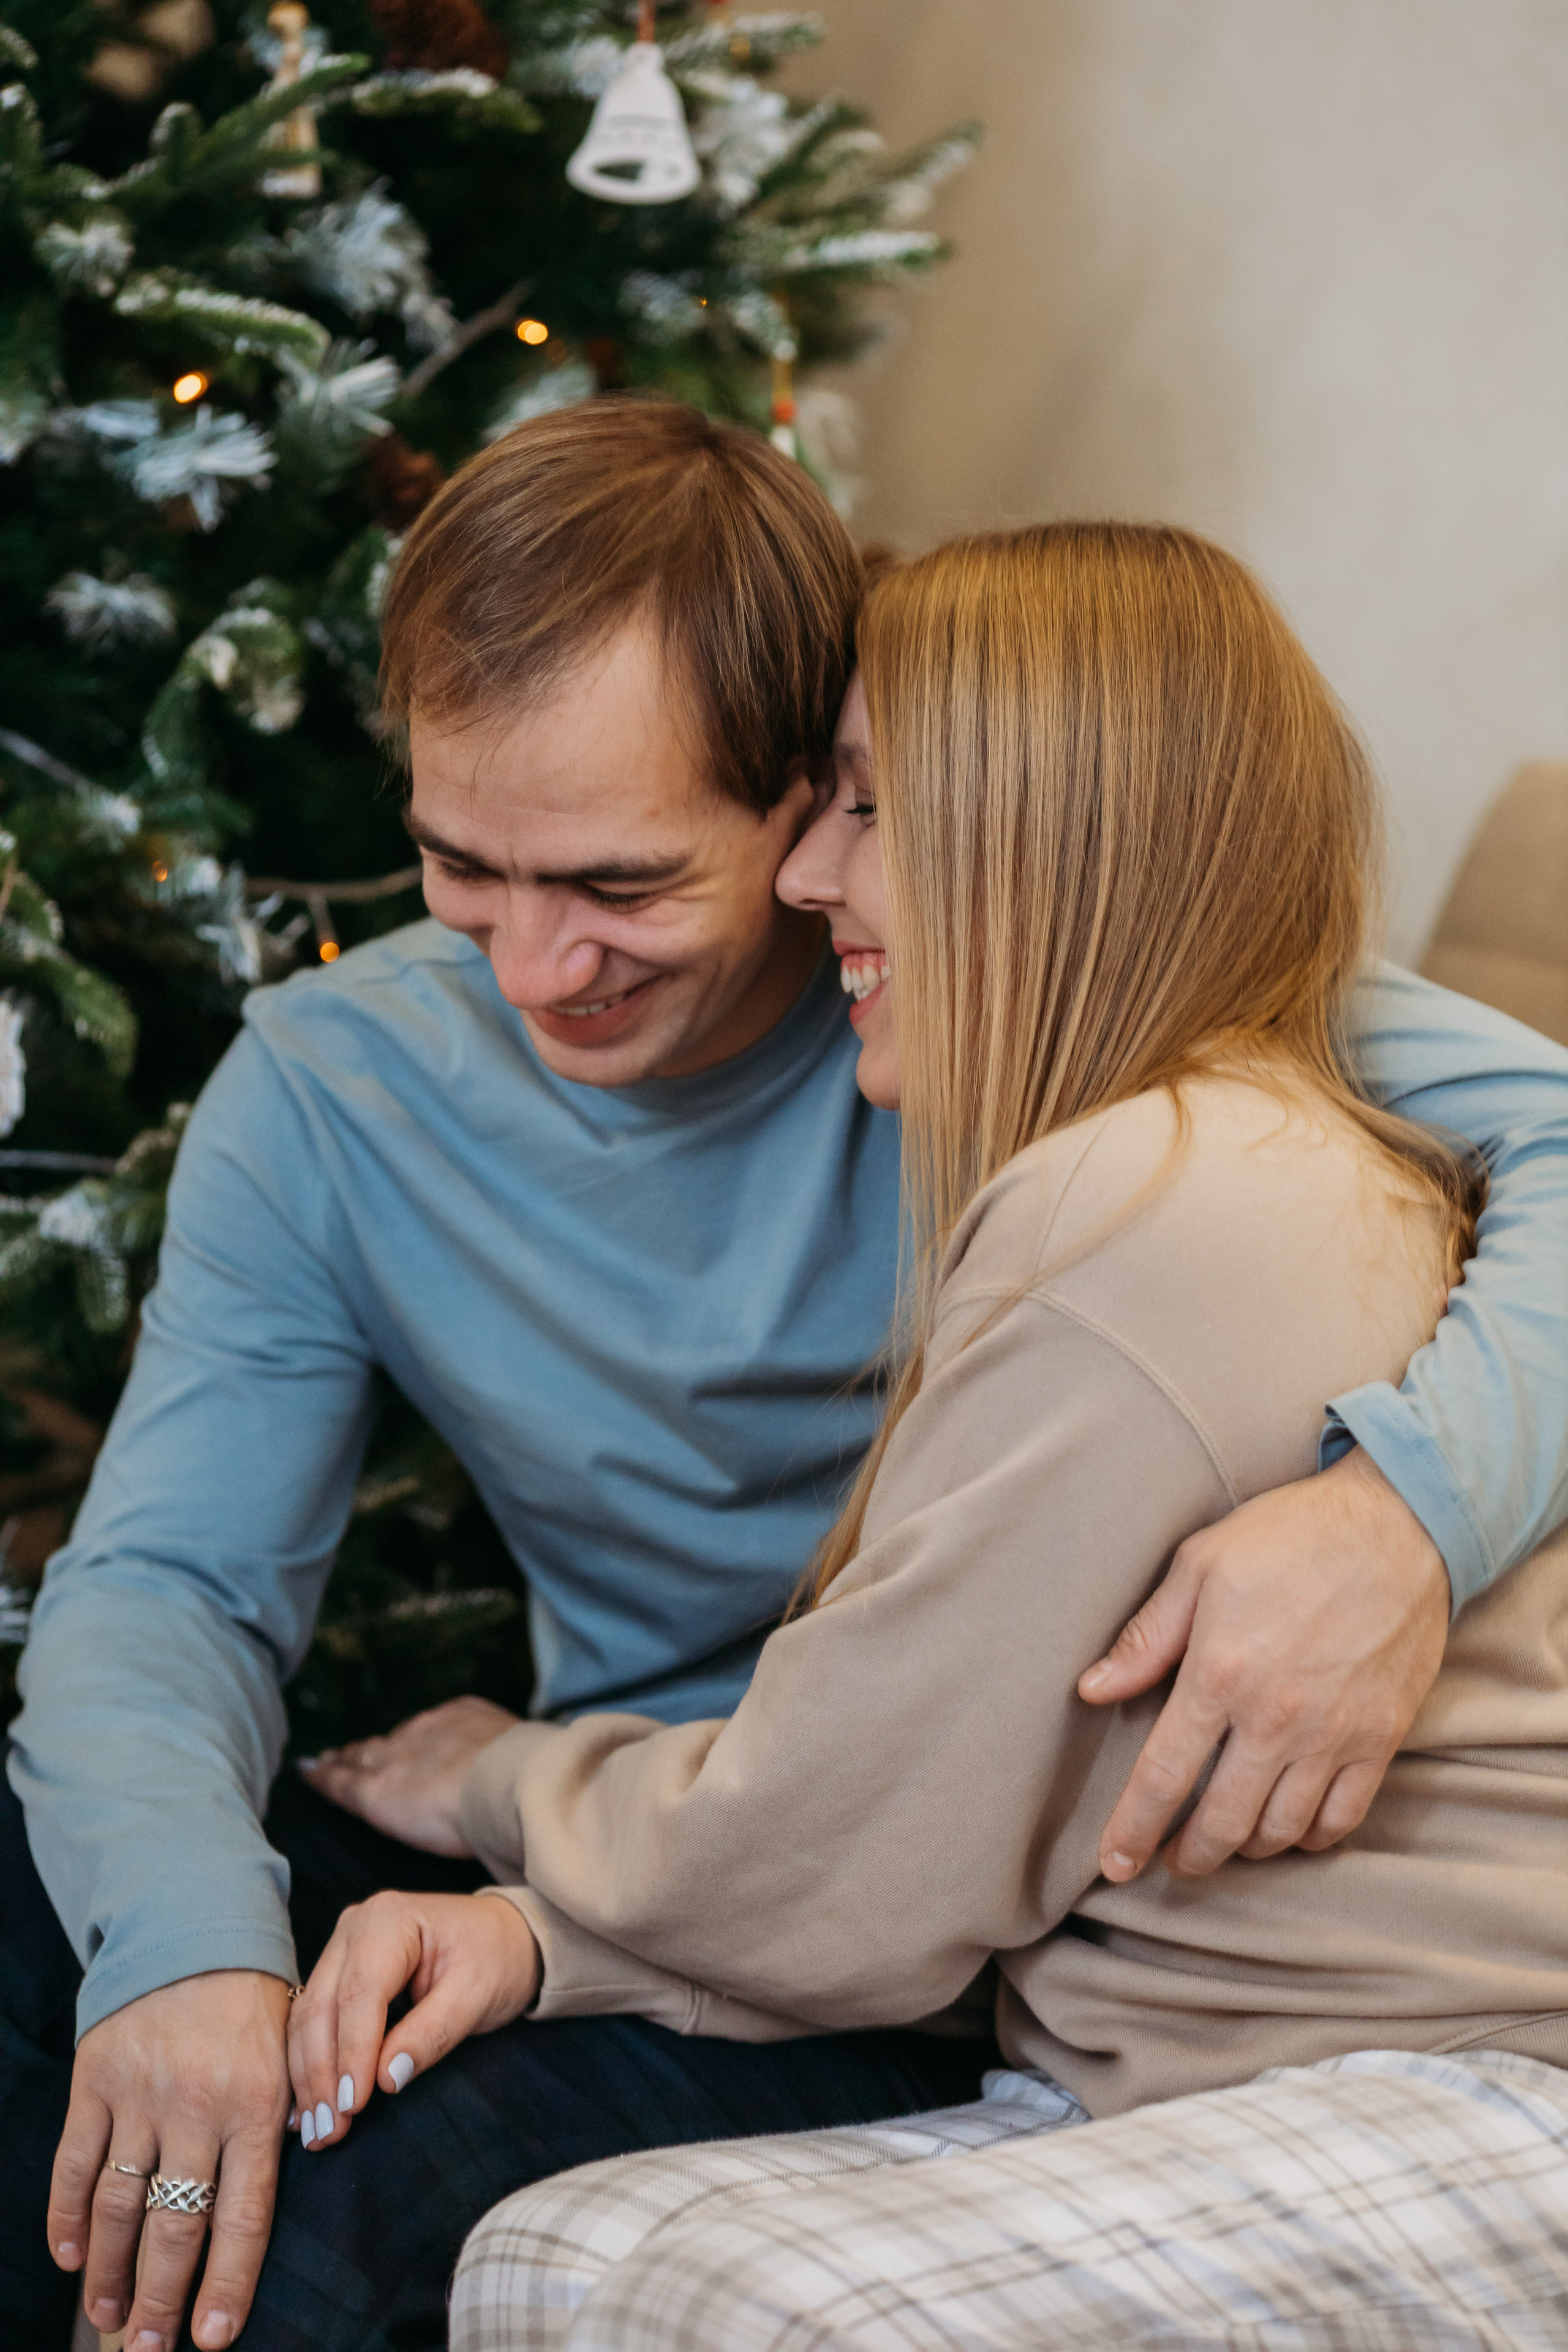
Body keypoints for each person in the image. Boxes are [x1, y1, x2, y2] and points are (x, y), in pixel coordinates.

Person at [2, 409, 1564, 2352]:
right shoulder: (332, 1088)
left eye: (626, 884)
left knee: (335, 2170)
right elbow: (164, 1588)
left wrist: (1402, 1508)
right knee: (81, 1952)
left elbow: (865, 1845)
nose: (534, 970)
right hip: (636, 1833)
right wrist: (178, 1963)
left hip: (871, 1910)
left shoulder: (1109, 1023)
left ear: (799, 794)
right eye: (460, 867)